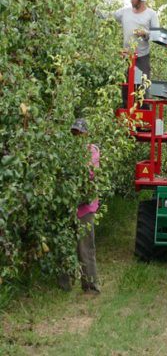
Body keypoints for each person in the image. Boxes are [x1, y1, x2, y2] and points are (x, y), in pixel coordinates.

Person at [59, 118, 101, 293]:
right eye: (74, 133)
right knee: (64, 246)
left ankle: (90, 286)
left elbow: (89, 173)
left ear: (86, 134)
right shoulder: (67, 151)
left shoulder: (92, 151)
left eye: (79, 133)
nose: (76, 136)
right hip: (68, 206)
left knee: (85, 248)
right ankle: (64, 287)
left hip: (84, 208)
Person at [112, 0, 159, 107]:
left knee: (142, 87)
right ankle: (126, 116)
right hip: (126, 56)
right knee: (126, 87)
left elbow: (156, 35)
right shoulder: (124, 12)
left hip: (142, 57)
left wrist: (145, 33)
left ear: (141, 0)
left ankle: (142, 117)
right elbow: (110, 16)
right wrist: (95, 10)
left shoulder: (151, 14)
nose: (131, 0)